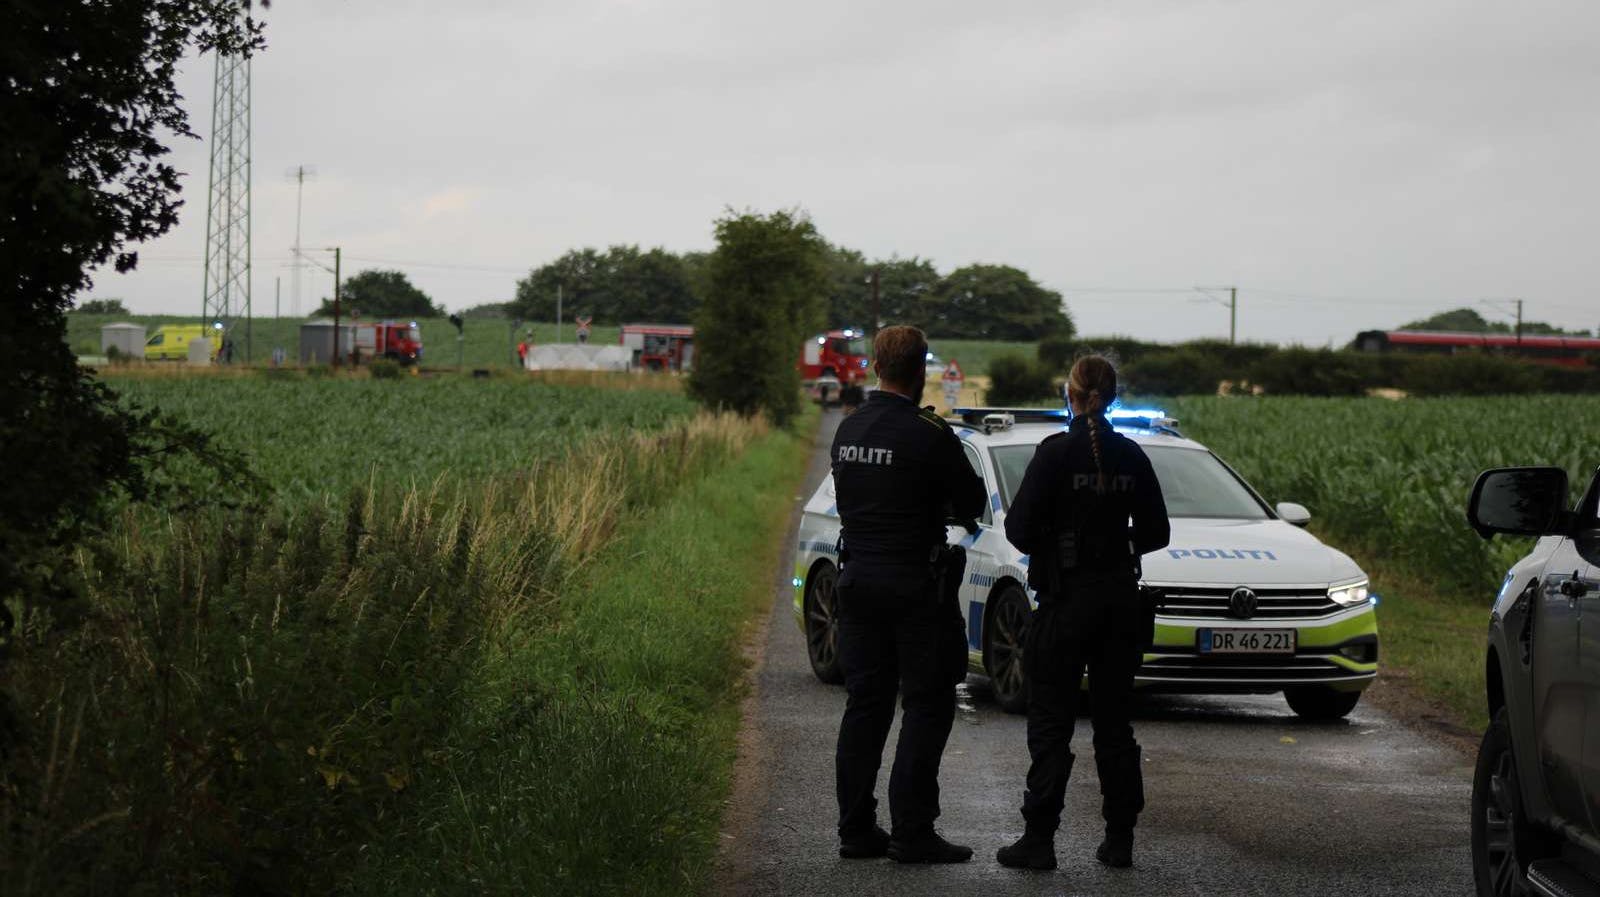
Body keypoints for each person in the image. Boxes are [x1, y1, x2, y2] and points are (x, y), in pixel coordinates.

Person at [996, 355, 1170, 872]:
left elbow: (1018, 531)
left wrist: (1061, 544)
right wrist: (1117, 544)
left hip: (1064, 606)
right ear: (1112, 397)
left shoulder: (1053, 454)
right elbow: (1158, 533)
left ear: (1068, 394)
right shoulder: (1131, 455)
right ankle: (1119, 841)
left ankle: (1039, 840)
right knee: (1115, 727)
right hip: (1119, 607)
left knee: (1051, 724)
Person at [830, 324, 987, 863]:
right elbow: (972, 500)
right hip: (915, 587)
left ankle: (855, 829)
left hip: (857, 583)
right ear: (921, 371)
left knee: (865, 706)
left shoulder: (848, 429)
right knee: (925, 703)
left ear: (876, 365)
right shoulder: (929, 434)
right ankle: (911, 832)